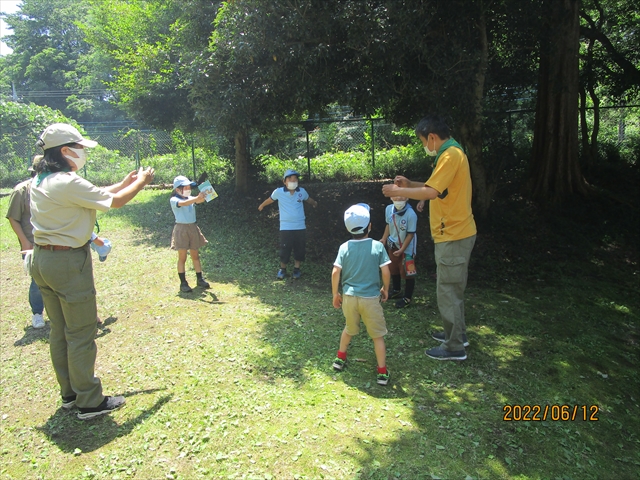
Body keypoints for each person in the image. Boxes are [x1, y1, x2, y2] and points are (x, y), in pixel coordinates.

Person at [29, 123, 155, 419]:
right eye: (79, 147)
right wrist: (142, 182)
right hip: (68, 264)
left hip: (43, 261)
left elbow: (95, 194)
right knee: (82, 332)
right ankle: (90, 401)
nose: (83, 152)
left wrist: (125, 180)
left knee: (59, 331)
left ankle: (70, 394)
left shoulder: (42, 180)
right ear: (64, 151)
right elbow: (115, 201)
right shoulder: (67, 181)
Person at [382, 114, 476, 361]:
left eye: (424, 141)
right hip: (455, 232)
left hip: (454, 234)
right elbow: (437, 186)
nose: (425, 146)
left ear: (432, 137)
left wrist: (399, 190)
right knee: (453, 289)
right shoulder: (451, 153)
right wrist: (410, 183)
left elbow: (432, 192)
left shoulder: (450, 155)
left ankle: (454, 346)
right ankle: (457, 335)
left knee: (447, 290)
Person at [331, 204, 392, 385]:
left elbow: (335, 272)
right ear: (370, 226)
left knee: (349, 329)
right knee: (377, 336)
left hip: (349, 298)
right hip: (371, 299)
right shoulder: (377, 246)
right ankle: (382, 372)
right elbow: (386, 272)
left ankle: (340, 358)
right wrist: (385, 289)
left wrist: (336, 294)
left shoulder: (344, 247)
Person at [5, 155, 45, 329]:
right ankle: (37, 313)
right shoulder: (22, 190)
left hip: (52, 242)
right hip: (32, 244)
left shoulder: (51, 189)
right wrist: (25, 242)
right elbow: (13, 218)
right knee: (37, 281)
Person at [258, 169, 318, 279]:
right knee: (285, 248)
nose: (293, 181)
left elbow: (308, 199)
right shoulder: (279, 192)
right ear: (284, 181)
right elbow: (270, 200)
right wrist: (262, 205)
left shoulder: (302, 192)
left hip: (300, 226)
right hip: (285, 226)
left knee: (299, 248)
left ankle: (296, 269)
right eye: (290, 179)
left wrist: (314, 203)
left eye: (295, 179)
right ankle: (282, 269)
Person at [170, 175, 210, 293]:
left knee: (195, 255)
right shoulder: (174, 200)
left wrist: (204, 195)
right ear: (178, 189)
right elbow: (185, 203)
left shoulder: (191, 198)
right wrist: (197, 198)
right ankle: (183, 283)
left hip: (193, 227)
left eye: (189, 187)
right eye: (186, 187)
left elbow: (198, 200)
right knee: (182, 257)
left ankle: (200, 279)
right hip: (181, 229)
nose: (189, 189)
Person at [379, 196, 418, 309]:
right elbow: (388, 225)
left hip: (407, 247)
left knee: (407, 272)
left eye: (401, 196)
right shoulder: (389, 209)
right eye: (396, 196)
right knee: (393, 268)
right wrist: (384, 239)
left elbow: (410, 234)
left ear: (407, 197)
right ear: (391, 197)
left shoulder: (411, 214)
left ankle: (407, 297)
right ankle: (396, 290)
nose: (398, 199)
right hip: (393, 244)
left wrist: (402, 249)